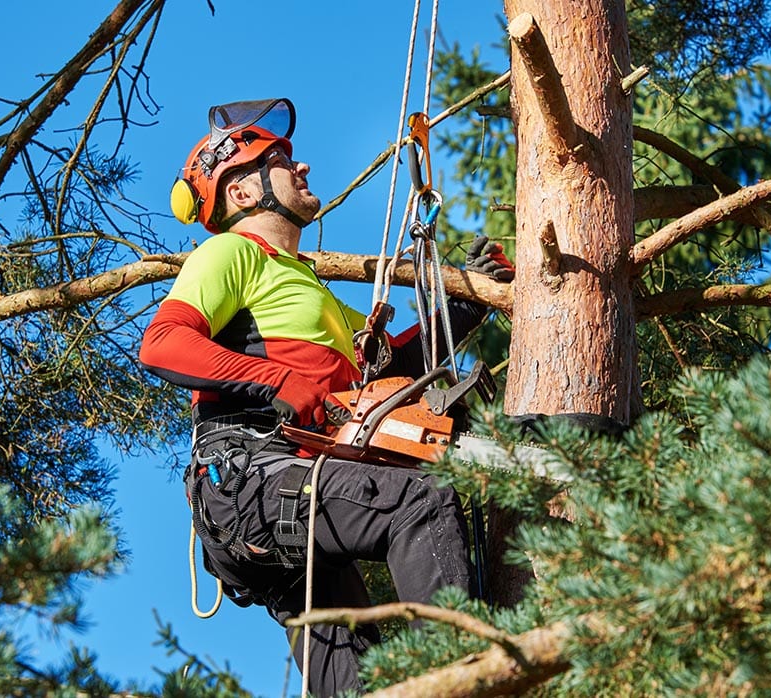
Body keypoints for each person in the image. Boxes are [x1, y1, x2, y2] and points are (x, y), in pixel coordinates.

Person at [139, 98, 514, 696]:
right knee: (417, 502)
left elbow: (391, 370)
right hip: (250, 477)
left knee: (353, 683)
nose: (303, 167)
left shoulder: (309, 290)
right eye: (282, 160)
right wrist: (277, 381)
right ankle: (473, 681)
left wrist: (467, 304)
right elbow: (162, 344)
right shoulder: (234, 253)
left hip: (290, 496)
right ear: (241, 193)